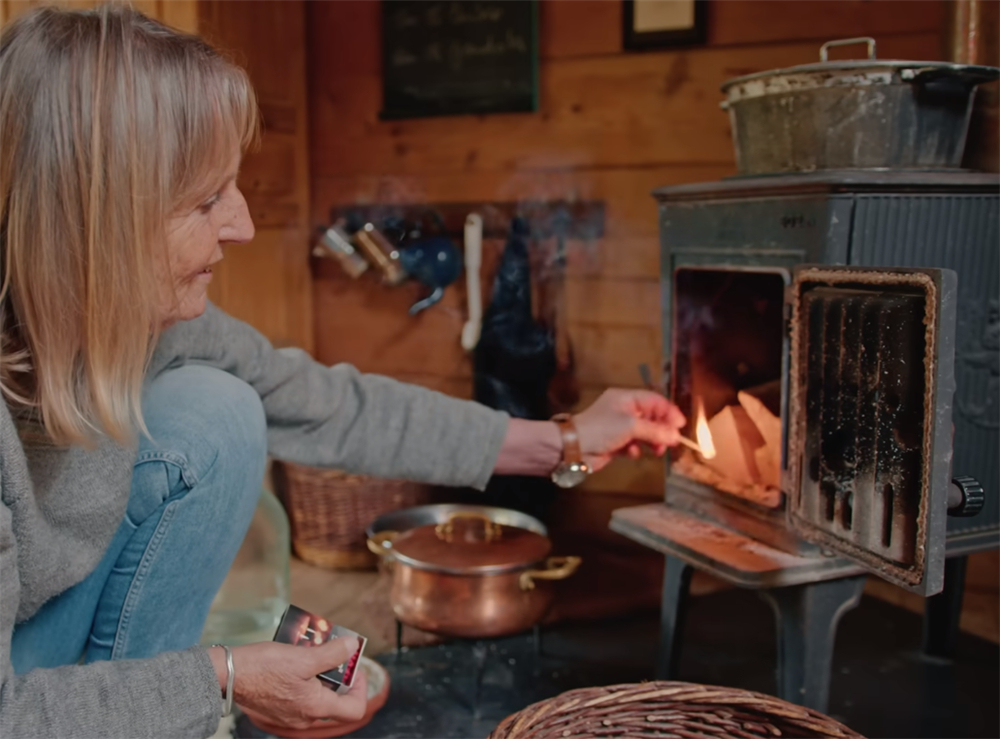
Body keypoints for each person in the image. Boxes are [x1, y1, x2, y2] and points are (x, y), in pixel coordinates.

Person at [0, 5, 686, 738]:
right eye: (206, 200)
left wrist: (563, 441)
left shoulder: (136, 317)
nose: (243, 226)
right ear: (94, 217)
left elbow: (323, 403)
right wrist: (224, 676)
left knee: (216, 407)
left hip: (31, 643)